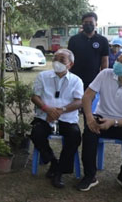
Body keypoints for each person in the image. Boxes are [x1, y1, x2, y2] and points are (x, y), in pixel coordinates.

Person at [78, 50, 122, 193]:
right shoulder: (105, 74)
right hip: (101, 118)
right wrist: (89, 118)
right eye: (118, 60)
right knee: (89, 133)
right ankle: (90, 176)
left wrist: (114, 122)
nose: (117, 64)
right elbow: (87, 96)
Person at [30, 49, 84, 188]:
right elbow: (35, 96)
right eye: (55, 59)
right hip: (44, 116)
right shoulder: (43, 76)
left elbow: (79, 101)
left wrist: (61, 110)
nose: (57, 62)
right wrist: (47, 109)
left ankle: (60, 171)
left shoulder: (76, 80)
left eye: (62, 60)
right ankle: (53, 161)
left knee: (74, 136)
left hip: (67, 118)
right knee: (36, 133)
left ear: (70, 65)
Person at [67, 12, 110, 89]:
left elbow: (105, 60)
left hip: (94, 78)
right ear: (82, 24)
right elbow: (69, 58)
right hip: (75, 76)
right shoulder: (74, 39)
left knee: (91, 100)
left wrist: (103, 76)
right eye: (85, 22)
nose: (88, 24)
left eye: (91, 22)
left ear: (96, 24)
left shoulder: (103, 40)